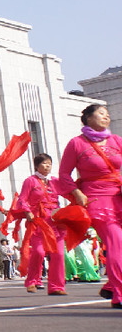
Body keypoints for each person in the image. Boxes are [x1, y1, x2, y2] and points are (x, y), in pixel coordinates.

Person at [58, 104, 122, 308]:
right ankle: (119, 294)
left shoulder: (116, 140)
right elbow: (64, 174)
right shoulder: (76, 144)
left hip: (119, 195)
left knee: (116, 245)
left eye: (108, 114)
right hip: (97, 199)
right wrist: (76, 192)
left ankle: (112, 284)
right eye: (101, 113)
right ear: (87, 118)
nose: (106, 117)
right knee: (116, 241)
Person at [17, 153, 67, 295]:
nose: (47, 166)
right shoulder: (30, 181)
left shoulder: (54, 181)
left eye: (50, 163)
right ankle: (32, 281)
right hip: (38, 222)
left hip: (55, 222)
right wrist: (27, 211)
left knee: (58, 254)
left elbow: (69, 191)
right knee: (38, 252)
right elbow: (22, 199)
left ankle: (56, 286)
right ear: (37, 165)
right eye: (44, 163)